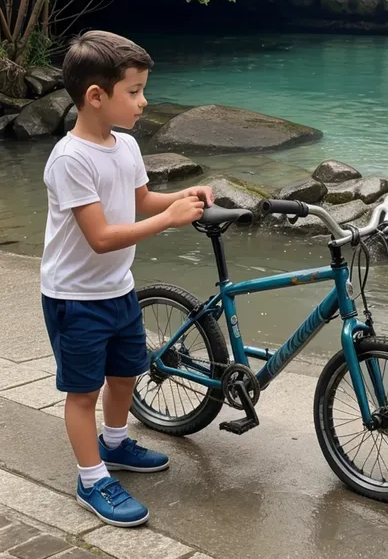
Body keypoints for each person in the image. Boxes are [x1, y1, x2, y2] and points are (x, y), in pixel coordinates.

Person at [40, 30, 213, 528]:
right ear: (96, 96)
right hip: (75, 297)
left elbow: (140, 202)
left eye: (142, 89)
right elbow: (100, 236)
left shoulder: (127, 146)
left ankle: (114, 446)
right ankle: (91, 479)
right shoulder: (70, 159)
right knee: (83, 391)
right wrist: (169, 221)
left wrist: (185, 197)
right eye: (134, 91)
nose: (144, 101)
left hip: (117, 289)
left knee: (124, 375)